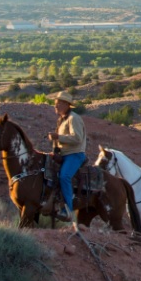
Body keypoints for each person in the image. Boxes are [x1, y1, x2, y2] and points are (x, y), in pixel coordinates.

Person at [46, 95, 87, 233]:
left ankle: (68, 210)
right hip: (64, 154)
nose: (55, 106)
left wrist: (58, 137)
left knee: (64, 176)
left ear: (65, 104)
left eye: (57, 104)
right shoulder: (62, 120)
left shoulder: (73, 118)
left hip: (74, 154)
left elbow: (77, 138)